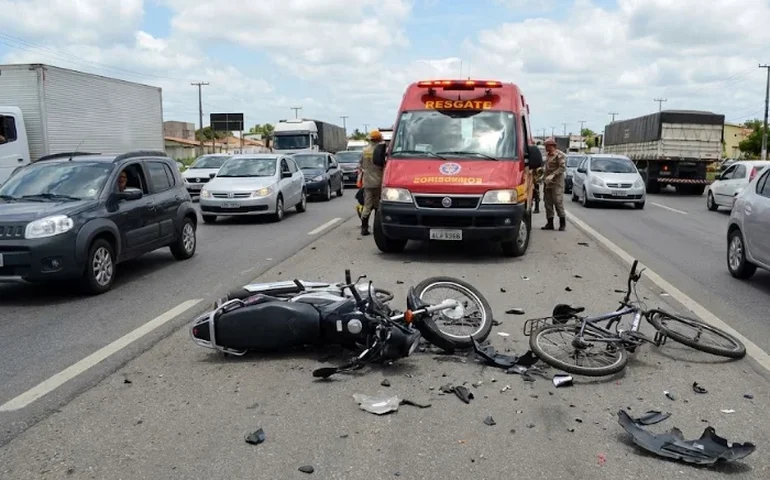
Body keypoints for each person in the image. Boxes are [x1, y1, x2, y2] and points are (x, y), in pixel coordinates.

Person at [358, 129, 385, 235]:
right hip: (379, 180)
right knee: (378, 205)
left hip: (367, 181)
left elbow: (360, 164)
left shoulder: (365, 150)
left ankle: (364, 228)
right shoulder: (381, 150)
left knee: (367, 204)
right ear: (379, 139)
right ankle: (377, 228)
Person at [541, 137, 567, 231]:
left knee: (558, 202)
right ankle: (550, 223)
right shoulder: (548, 156)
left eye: (547, 146)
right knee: (548, 203)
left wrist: (553, 175)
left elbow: (562, 168)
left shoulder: (559, 155)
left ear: (552, 146)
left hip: (557, 183)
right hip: (548, 183)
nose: (545, 148)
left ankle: (562, 223)